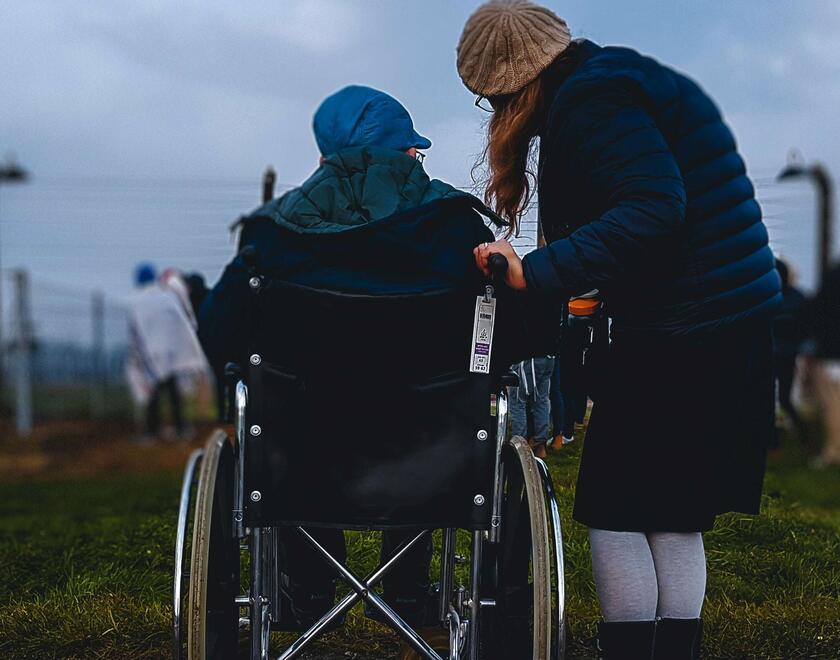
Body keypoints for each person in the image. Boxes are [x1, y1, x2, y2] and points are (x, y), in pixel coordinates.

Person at [458, 2, 781, 657]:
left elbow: (655, 206)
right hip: (727, 321)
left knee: (614, 506)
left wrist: (534, 271)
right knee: (672, 509)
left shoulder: (593, 102)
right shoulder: (617, 79)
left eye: (492, 101)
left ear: (515, 87)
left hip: (686, 327)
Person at [199, 86, 505, 644]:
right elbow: (511, 338)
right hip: (433, 455)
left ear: (324, 159)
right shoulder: (460, 230)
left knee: (291, 423)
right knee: (427, 413)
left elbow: (219, 337)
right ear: (409, 155)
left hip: (300, 459)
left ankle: (311, 585)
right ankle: (410, 590)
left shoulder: (270, 235)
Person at [126, 263, 208, 441]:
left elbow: (135, 331)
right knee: (173, 392)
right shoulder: (167, 296)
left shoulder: (136, 302)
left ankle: (151, 432)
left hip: (152, 353)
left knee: (153, 395)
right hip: (173, 352)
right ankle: (181, 429)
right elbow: (183, 319)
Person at [771, 258, 808, 443]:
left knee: (767, 398)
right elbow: (806, 327)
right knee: (785, 398)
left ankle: (774, 440)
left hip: (771, 354)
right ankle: (805, 439)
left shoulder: (768, 298)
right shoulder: (798, 298)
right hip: (789, 354)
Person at [810, 263, 840, 467]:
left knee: (832, 404)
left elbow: (818, 312)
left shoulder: (833, 276)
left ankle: (833, 451)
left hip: (833, 351)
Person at [509, 356, 555, 457]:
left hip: (529, 357)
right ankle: (540, 445)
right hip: (548, 356)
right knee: (541, 401)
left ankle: (520, 447)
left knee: (517, 402)